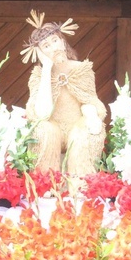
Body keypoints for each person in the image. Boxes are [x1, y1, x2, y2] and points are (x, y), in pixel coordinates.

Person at [21, 10, 107, 176]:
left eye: (55, 40)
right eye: (46, 46)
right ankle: (46, 184)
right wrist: (46, 69)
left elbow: (89, 99)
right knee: (43, 129)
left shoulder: (81, 69)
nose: (53, 48)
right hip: (53, 129)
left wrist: (90, 114)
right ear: (39, 52)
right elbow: (41, 114)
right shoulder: (38, 76)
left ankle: (81, 183)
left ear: (62, 40)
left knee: (88, 131)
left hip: (77, 126)